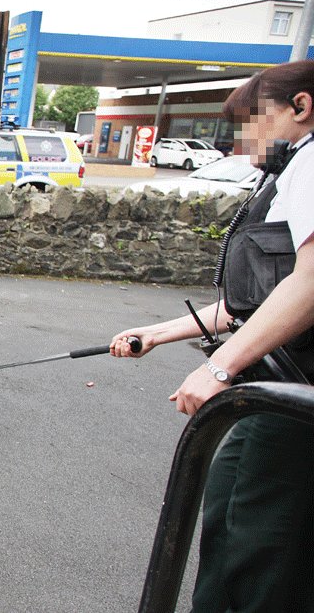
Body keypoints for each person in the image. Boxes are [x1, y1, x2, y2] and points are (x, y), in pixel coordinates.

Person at [110, 59, 314, 613]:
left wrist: (219, 367)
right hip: (274, 387)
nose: (245, 139)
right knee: (229, 522)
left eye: (254, 120)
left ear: (302, 107)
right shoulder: (288, 170)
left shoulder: (313, 160)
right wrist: (159, 332)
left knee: (261, 543)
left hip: (295, 389)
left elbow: (310, 283)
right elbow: (257, 299)